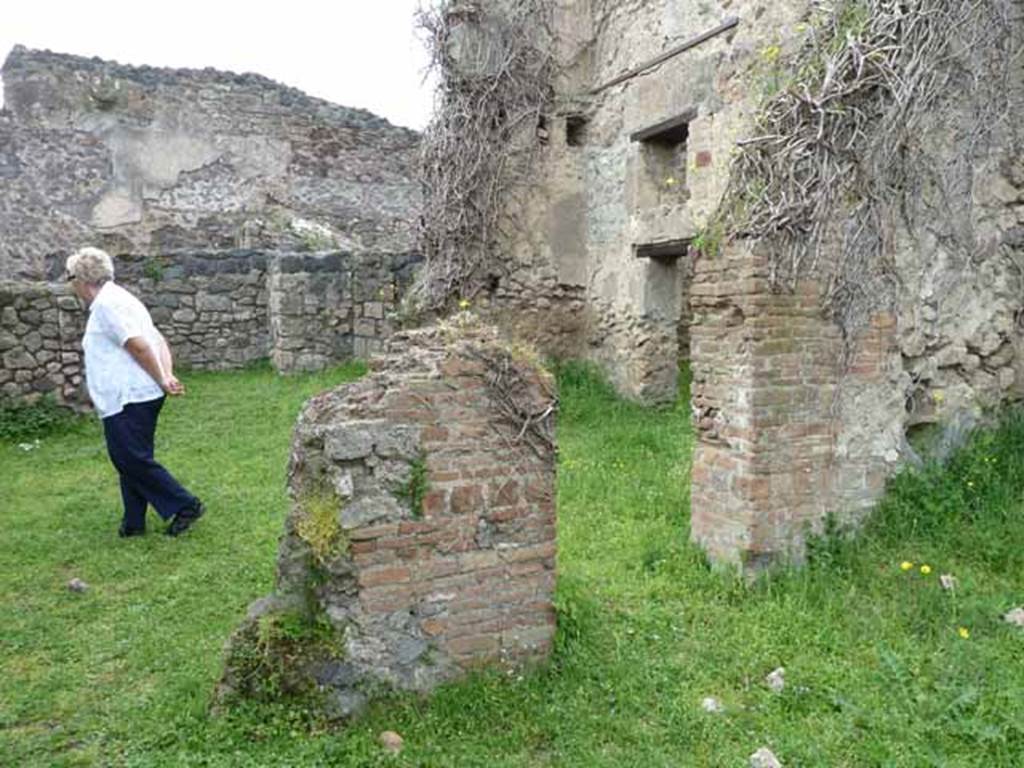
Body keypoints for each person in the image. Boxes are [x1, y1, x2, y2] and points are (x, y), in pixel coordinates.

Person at [64, 246, 205, 537]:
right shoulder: (121, 298)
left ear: (80, 279)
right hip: (137, 394)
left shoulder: (107, 305)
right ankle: (133, 523)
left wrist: (163, 378)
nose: (71, 286)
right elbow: (158, 339)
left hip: (129, 397)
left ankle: (185, 505)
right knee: (132, 458)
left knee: (130, 459)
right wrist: (165, 375)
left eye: (70, 278)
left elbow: (140, 345)